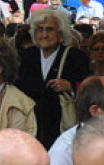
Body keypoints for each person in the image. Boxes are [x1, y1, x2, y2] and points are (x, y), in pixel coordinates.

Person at [15, 8, 90, 149]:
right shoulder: (27, 56)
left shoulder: (76, 57)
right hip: (31, 127)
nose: (44, 34)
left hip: (62, 128)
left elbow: (89, 90)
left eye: (50, 29)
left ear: (61, 34)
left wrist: (71, 86)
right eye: (40, 29)